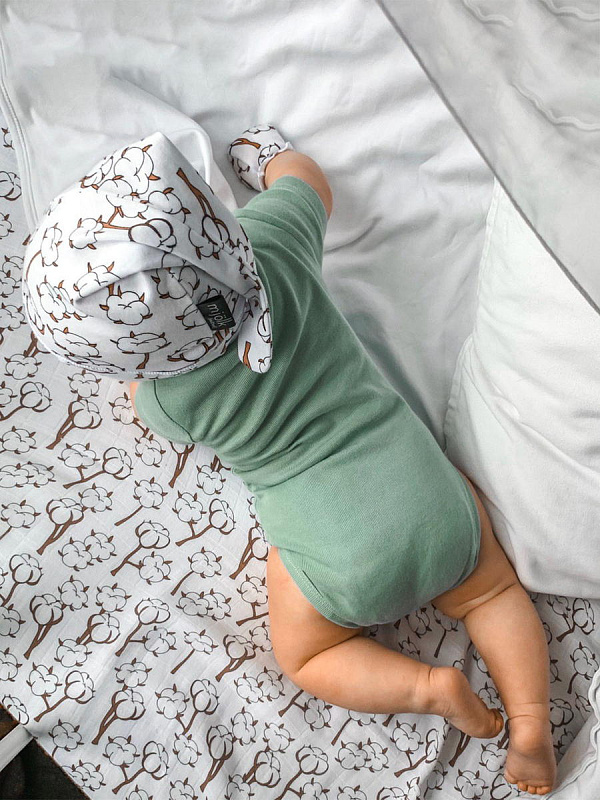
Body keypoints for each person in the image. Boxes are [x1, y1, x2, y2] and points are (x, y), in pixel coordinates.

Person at [24, 125, 556, 795]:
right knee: (493, 592)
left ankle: (428, 688)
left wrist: (141, 373)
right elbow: (309, 185)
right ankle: (531, 721)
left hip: (336, 560)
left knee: (305, 654)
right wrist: (272, 158)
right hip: (427, 495)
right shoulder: (273, 249)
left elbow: (138, 397)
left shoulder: (169, 401)